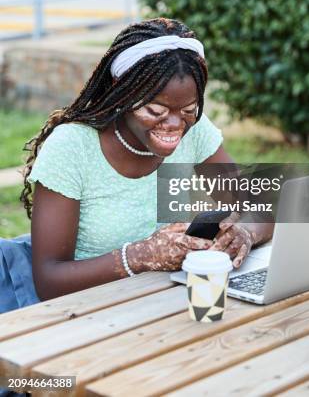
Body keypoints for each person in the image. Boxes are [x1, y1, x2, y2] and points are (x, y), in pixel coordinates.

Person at [17, 17, 273, 301]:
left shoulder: (196, 131)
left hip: (164, 304)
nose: (175, 125)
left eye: (189, 109)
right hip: (88, 313)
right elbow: (49, 280)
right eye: (155, 110)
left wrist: (245, 232)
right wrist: (139, 256)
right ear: (122, 89)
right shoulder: (72, 148)